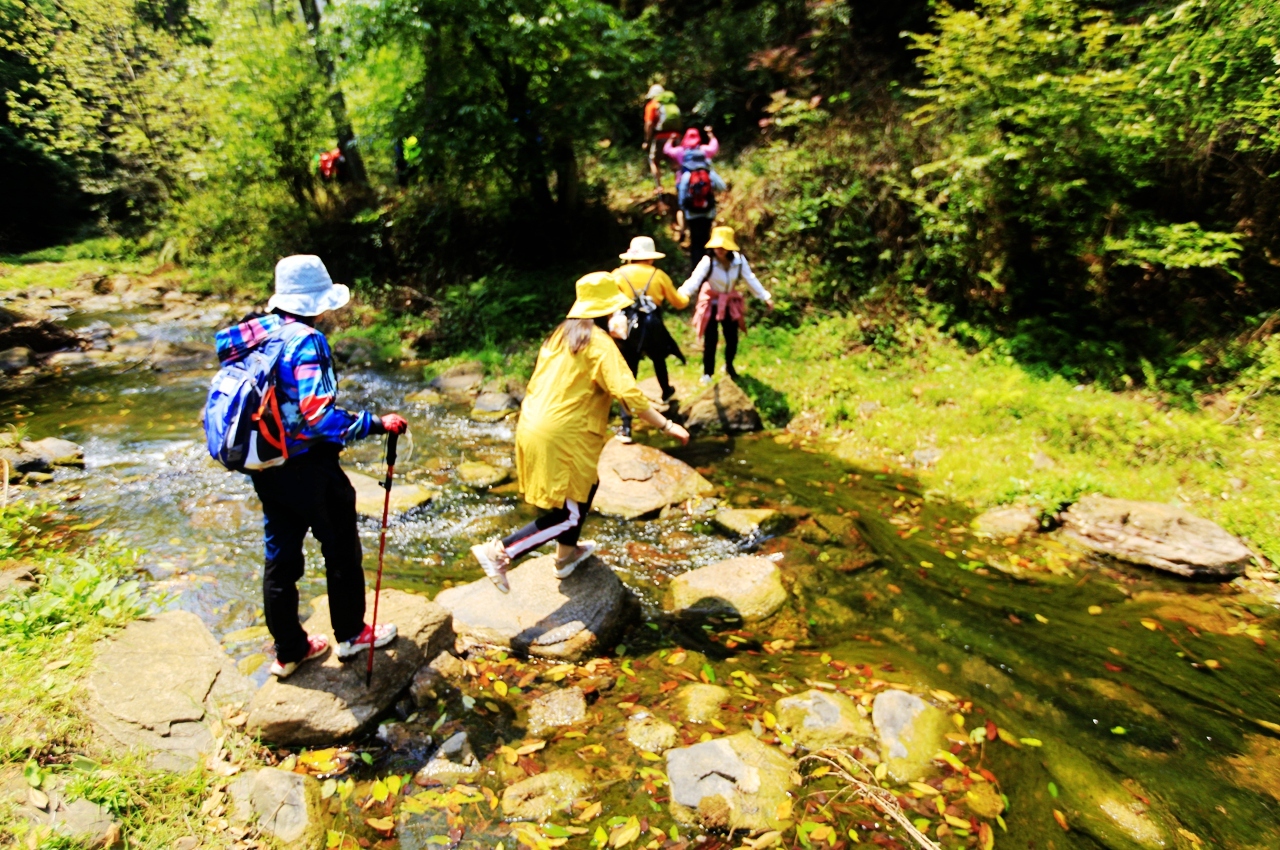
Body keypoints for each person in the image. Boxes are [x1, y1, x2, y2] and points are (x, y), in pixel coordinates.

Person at [214, 255, 407, 679]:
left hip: (266, 465)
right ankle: (352, 634)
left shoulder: (257, 336)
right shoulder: (307, 340)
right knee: (340, 548)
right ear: (318, 301)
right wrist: (375, 423)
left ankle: (289, 650)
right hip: (309, 466)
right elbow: (318, 416)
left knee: (280, 560)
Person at [470, 272, 690, 591]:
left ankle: (566, 556)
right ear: (605, 311)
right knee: (570, 515)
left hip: (534, 422)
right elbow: (628, 394)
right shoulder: (599, 344)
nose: (619, 315)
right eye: (615, 310)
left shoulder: (562, 334)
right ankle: (500, 552)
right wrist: (667, 425)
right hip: (563, 433)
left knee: (586, 488)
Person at [612, 236, 689, 441]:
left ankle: (626, 427)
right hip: (653, 327)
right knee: (659, 358)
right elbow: (679, 302)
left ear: (630, 258)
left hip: (627, 330)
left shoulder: (617, 275)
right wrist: (686, 293)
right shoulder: (658, 275)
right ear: (652, 258)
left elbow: (609, 302)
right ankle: (666, 392)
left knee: (628, 373)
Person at [678, 227, 773, 384]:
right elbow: (695, 280)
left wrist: (765, 296)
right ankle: (708, 372)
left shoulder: (739, 261)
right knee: (711, 339)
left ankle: (729, 365)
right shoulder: (708, 262)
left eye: (723, 246)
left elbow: (750, 279)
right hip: (711, 301)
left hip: (729, 302)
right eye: (717, 246)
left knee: (732, 337)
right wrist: (682, 294)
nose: (719, 250)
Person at [665, 126, 721, 268]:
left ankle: (696, 270)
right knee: (706, 238)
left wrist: (670, 140)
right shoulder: (704, 152)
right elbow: (714, 147)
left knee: (695, 242)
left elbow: (667, 150)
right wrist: (711, 134)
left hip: (691, 210)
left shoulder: (681, 154)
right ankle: (710, 268)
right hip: (708, 210)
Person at [642, 84, 680, 190]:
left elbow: (649, 124)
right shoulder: (671, 105)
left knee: (654, 161)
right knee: (675, 162)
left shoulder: (652, 106)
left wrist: (647, 141)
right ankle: (680, 186)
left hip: (660, 137)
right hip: (676, 136)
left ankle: (659, 188)